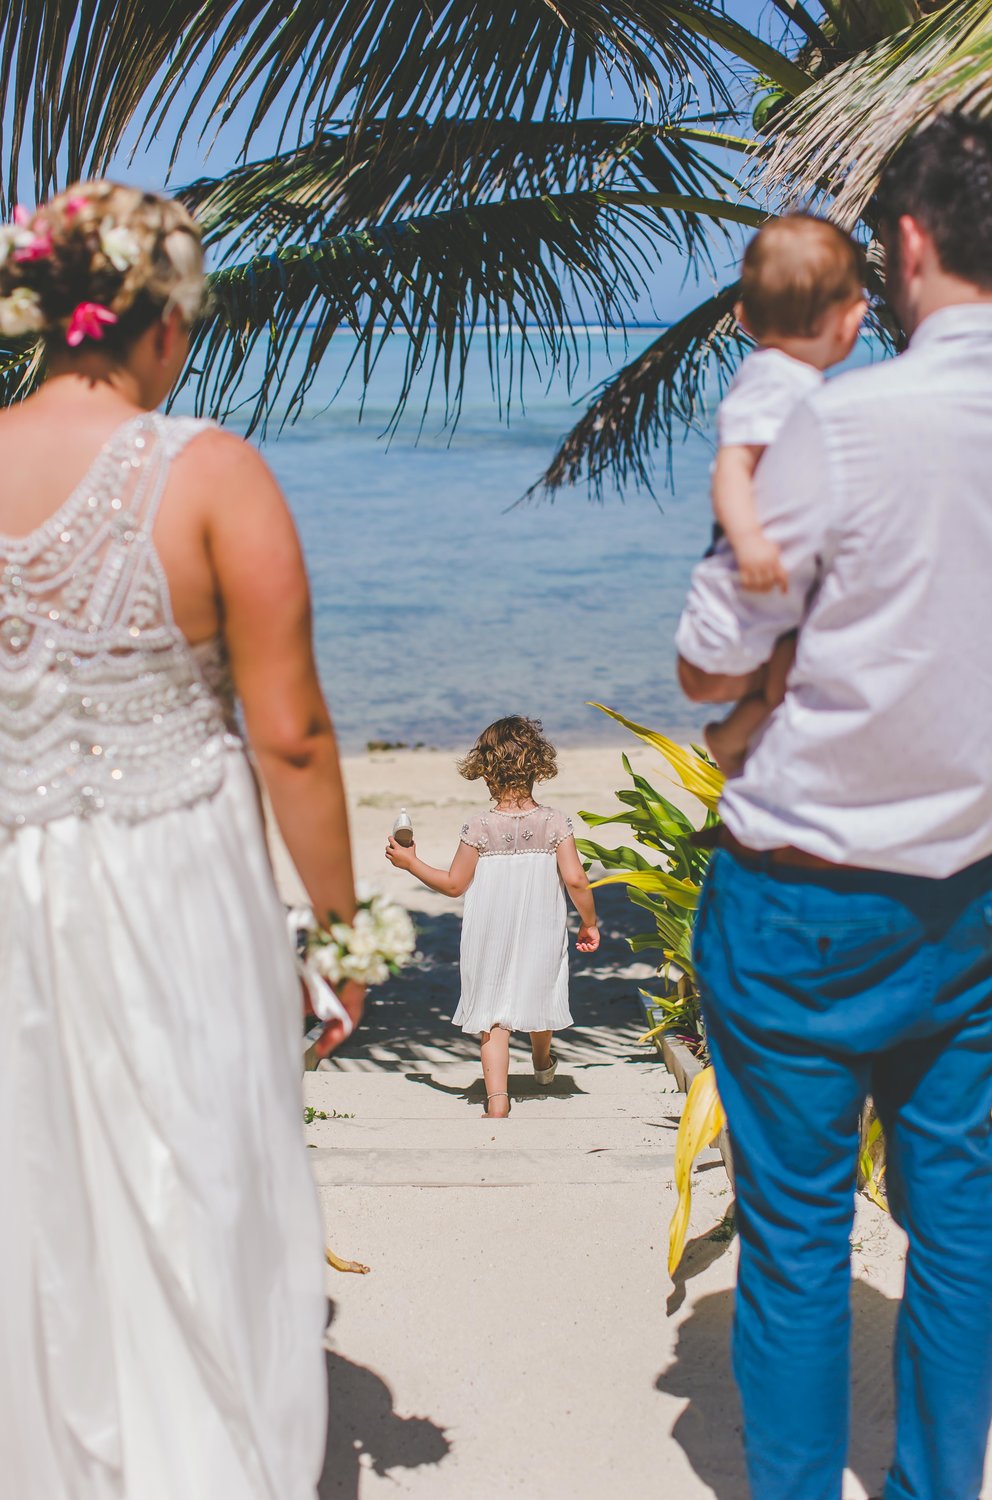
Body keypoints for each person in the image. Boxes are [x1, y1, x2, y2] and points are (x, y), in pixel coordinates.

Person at [0, 181, 362, 1498]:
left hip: (10, 890)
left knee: (35, 1201)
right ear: (163, 322)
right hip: (174, 889)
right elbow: (297, 735)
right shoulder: (209, 470)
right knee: (197, 1184)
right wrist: (345, 925)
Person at [675, 113, 992, 1500]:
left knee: (801, 1236)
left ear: (911, 243)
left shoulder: (843, 423)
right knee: (964, 1217)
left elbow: (706, 661)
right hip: (975, 897)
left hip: (804, 902)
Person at [705, 214, 867, 776]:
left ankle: (738, 740)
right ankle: (732, 739)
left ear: (743, 315)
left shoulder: (787, 378)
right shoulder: (773, 378)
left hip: (779, 553)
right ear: (849, 326)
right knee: (794, 661)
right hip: (760, 554)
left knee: (792, 663)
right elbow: (731, 467)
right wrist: (748, 541)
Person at [385, 716, 599, 1119]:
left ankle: (497, 1102)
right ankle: (541, 1062)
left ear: (485, 771)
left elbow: (453, 884)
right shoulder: (555, 822)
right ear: (538, 766)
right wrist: (589, 922)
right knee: (540, 990)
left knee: (495, 1013)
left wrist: (410, 863)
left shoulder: (479, 826)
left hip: (489, 933)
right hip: (541, 926)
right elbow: (575, 879)